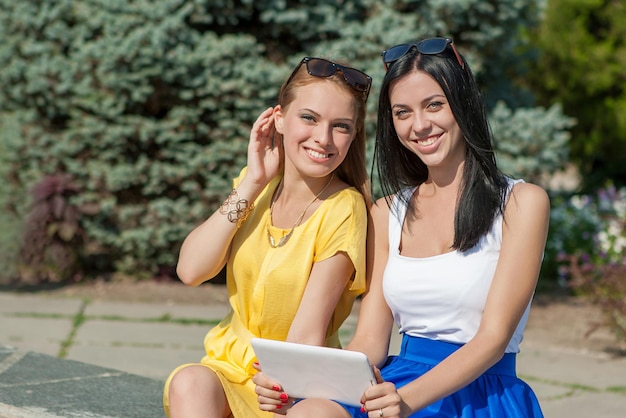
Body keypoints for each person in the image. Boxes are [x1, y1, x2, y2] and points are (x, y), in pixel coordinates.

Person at [254, 37, 550, 417]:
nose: (420, 124)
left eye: (434, 105)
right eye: (402, 112)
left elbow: (492, 340)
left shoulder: (522, 202)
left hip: (480, 391)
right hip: (395, 383)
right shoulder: (387, 212)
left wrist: (406, 400)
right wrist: (295, 384)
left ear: (463, 104)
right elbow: (369, 343)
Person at [163, 56, 373, 418]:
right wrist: (252, 182)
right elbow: (191, 270)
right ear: (278, 118)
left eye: (341, 126)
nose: (323, 139)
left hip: (298, 380)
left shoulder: (344, 207)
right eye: (309, 118)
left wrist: (279, 389)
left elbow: (307, 333)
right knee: (190, 382)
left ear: (354, 136)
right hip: (230, 367)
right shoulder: (258, 186)